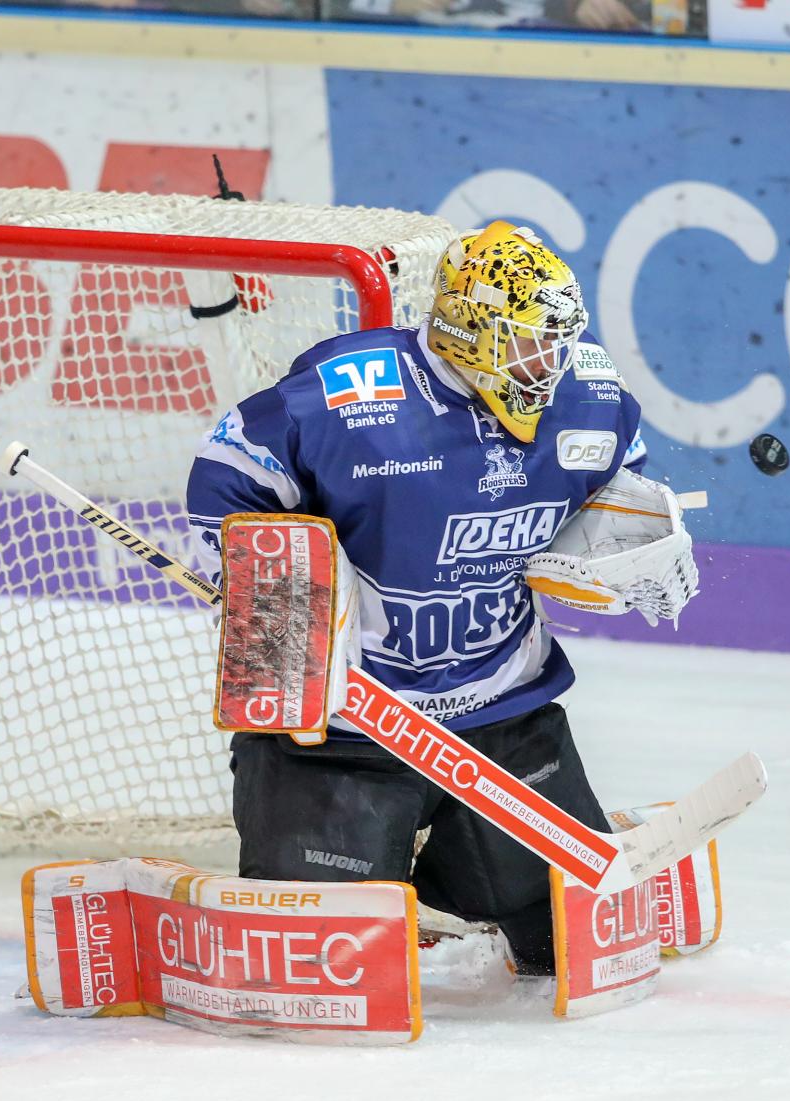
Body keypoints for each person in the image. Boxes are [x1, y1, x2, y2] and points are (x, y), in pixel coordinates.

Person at [186, 220, 678, 974]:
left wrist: (633, 544)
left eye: (559, 338)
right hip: (350, 727)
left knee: (562, 938)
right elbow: (228, 471)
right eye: (530, 340)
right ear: (472, 331)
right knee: (332, 955)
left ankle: (455, 878)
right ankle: (379, 869)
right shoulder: (347, 397)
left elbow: (617, 486)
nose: (551, 362)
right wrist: (257, 577)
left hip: (501, 711)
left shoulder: (588, 393)